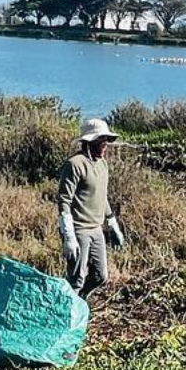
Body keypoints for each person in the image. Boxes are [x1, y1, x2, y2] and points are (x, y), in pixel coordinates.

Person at [56, 117, 125, 297]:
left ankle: (80, 301)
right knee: (77, 277)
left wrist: (112, 224)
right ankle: (69, 313)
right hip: (79, 229)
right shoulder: (75, 164)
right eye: (100, 141)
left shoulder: (102, 164)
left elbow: (102, 196)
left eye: (105, 141)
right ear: (89, 142)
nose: (105, 146)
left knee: (100, 275)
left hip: (96, 229)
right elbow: (64, 200)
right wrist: (69, 235)